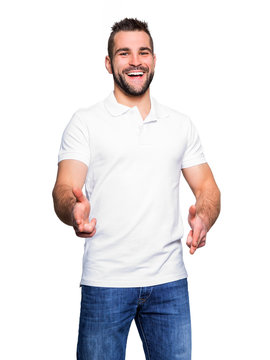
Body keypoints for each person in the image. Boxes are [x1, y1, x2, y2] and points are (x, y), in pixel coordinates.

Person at [52, 17, 220, 360]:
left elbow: (207, 188)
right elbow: (65, 187)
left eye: (143, 52)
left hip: (169, 283)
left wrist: (203, 216)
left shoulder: (179, 124)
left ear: (154, 61)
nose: (135, 61)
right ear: (108, 63)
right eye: (124, 53)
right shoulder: (85, 122)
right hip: (105, 282)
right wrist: (74, 210)